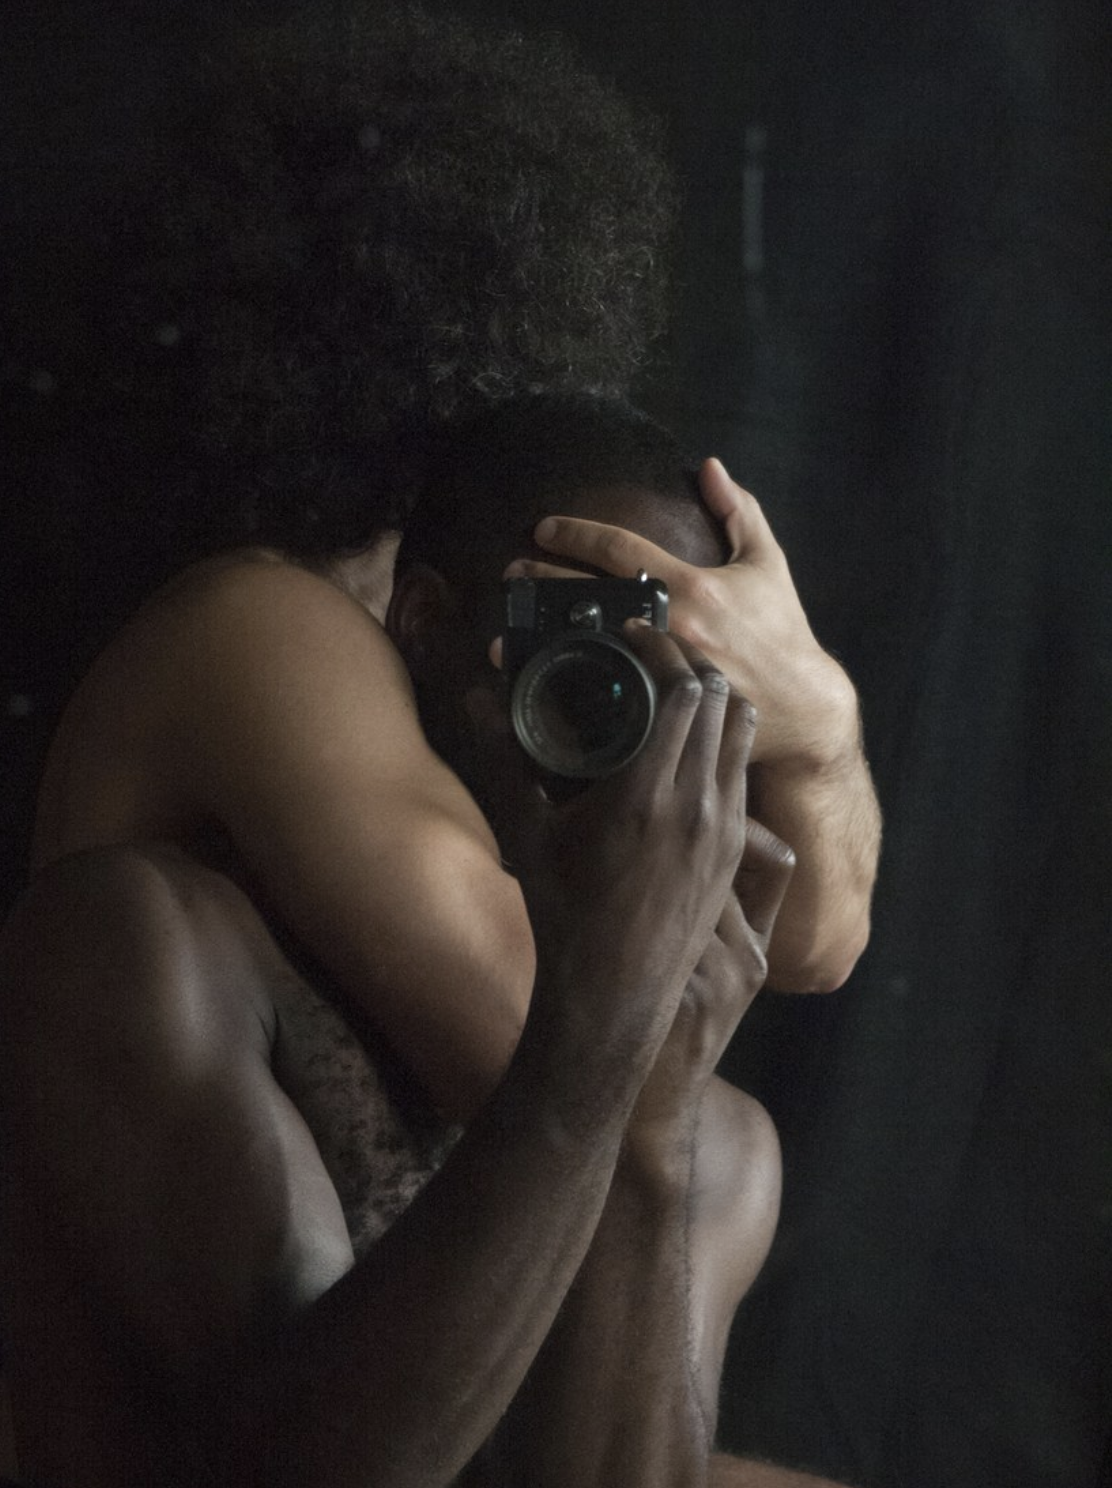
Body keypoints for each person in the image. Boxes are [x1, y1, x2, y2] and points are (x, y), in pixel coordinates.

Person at [0, 393, 856, 1486]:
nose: (608, 699)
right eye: (565, 632)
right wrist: (607, 1034)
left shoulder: (717, 1144)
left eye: (668, 673)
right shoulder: (143, 951)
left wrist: (647, 1129)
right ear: (418, 621)